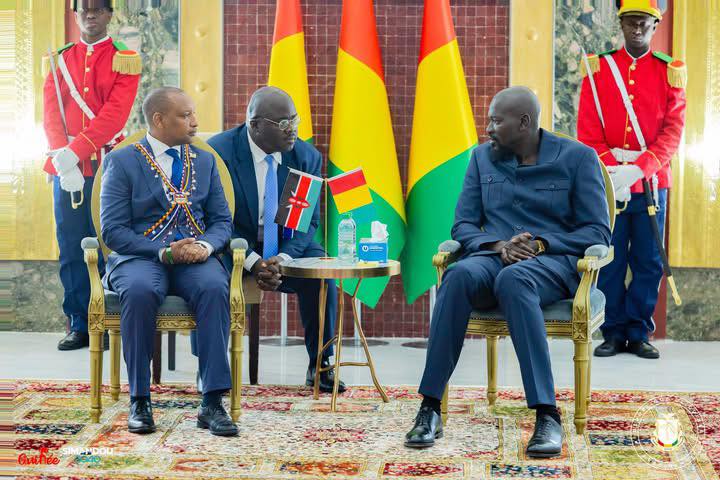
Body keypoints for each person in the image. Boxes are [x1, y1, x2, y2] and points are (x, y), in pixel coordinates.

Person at [404, 87, 611, 458]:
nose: (488, 128)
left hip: (551, 263)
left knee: (514, 279)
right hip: (494, 256)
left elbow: (597, 232)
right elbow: (463, 225)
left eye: (496, 121)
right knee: (457, 276)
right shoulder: (481, 158)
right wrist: (499, 245)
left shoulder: (579, 158)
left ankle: (547, 414)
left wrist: (541, 244)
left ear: (524, 123)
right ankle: (429, 408)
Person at [100, 87, 237, 436]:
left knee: (214, 286)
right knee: (140, 291)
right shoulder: (122, 161)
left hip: (194, 258)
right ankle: (140, 400)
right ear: (159, 120)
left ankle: (212, 402)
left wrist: (205, 246)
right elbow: (113, 231)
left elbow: (222, 221)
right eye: (185, 115)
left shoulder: (204, 161)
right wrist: (162, 251)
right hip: (141, 257)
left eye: (193, 114)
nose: (195, 122)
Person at [207, 86, 344, 393]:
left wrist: (282, 258)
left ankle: (321, 364)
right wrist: (253, 261)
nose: (292, 129)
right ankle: (211, 367)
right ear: (255, 124)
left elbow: (307, 222)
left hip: (285, 243)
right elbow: (212, 221)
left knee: (322, 277)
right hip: (231, 244)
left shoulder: (305, 156)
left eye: (294, 120)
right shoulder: (218, 153)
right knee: (207, 281)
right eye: (283, 123)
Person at [577, 0, 686, 359]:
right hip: (609, 183)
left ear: (655, 26)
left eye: (644, 23)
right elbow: (587, 131)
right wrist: (612, 171)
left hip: (651, 182)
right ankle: (611, 331)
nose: (637, 29)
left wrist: (640, 168)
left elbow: (673, 132)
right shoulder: (598, 68)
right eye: (630, 22)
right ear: (621, 24)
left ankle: (638, 332)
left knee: (648, 261)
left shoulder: (670, 72)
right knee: (609, 258)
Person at [43, 0, 141, 351]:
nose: (90, 15)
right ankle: (79, 323)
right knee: (71, 245)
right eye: (84, 9)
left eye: (98, 9)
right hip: (65, 167)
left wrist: (76, 152)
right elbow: (51, 114)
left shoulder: (124, 58)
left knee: (108, 243)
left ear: (109, 14)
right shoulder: (59, 60)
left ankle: (110, 321)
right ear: (75, 13)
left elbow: (114, 116)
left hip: (107, 165)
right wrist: (63, 159)